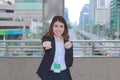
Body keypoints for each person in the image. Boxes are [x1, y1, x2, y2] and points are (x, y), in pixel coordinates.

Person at [36, 15, 73, 80]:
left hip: (64, 73)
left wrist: (69, 49)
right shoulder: (48, 38)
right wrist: (45, 43)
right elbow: (45, 40)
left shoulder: (67, 41)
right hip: (51, 73)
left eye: (61, 26)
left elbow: (70, 63)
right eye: (56, 26)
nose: (58, 29)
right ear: (52, 27)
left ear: (64, 28)